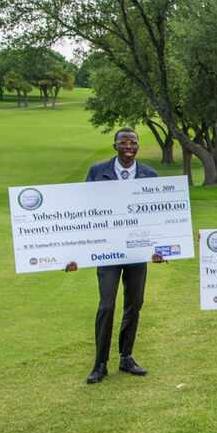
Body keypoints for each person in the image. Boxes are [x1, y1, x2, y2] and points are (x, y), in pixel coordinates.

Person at [65, 127, 164, 384]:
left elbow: (159, 218)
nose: (128, 146)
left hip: (137, 251)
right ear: (115, 146)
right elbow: (82, 211)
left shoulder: (150, 176)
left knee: (134, 304)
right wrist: (75, 252)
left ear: (138, 147)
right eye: (123, 142)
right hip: (106, 252)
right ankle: (100, 364)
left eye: (133, 142)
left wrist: (159, 249)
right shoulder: (98, 172)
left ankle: (126, 357)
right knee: (106, 305)